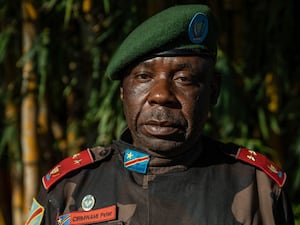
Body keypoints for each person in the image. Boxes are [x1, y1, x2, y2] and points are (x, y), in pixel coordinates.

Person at [25, 4, 294, 225]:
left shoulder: (258, 190)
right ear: (122, 91)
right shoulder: (70, 189)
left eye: (184, 78)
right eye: (143, 77)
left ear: (213, 91)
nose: (161, 95)